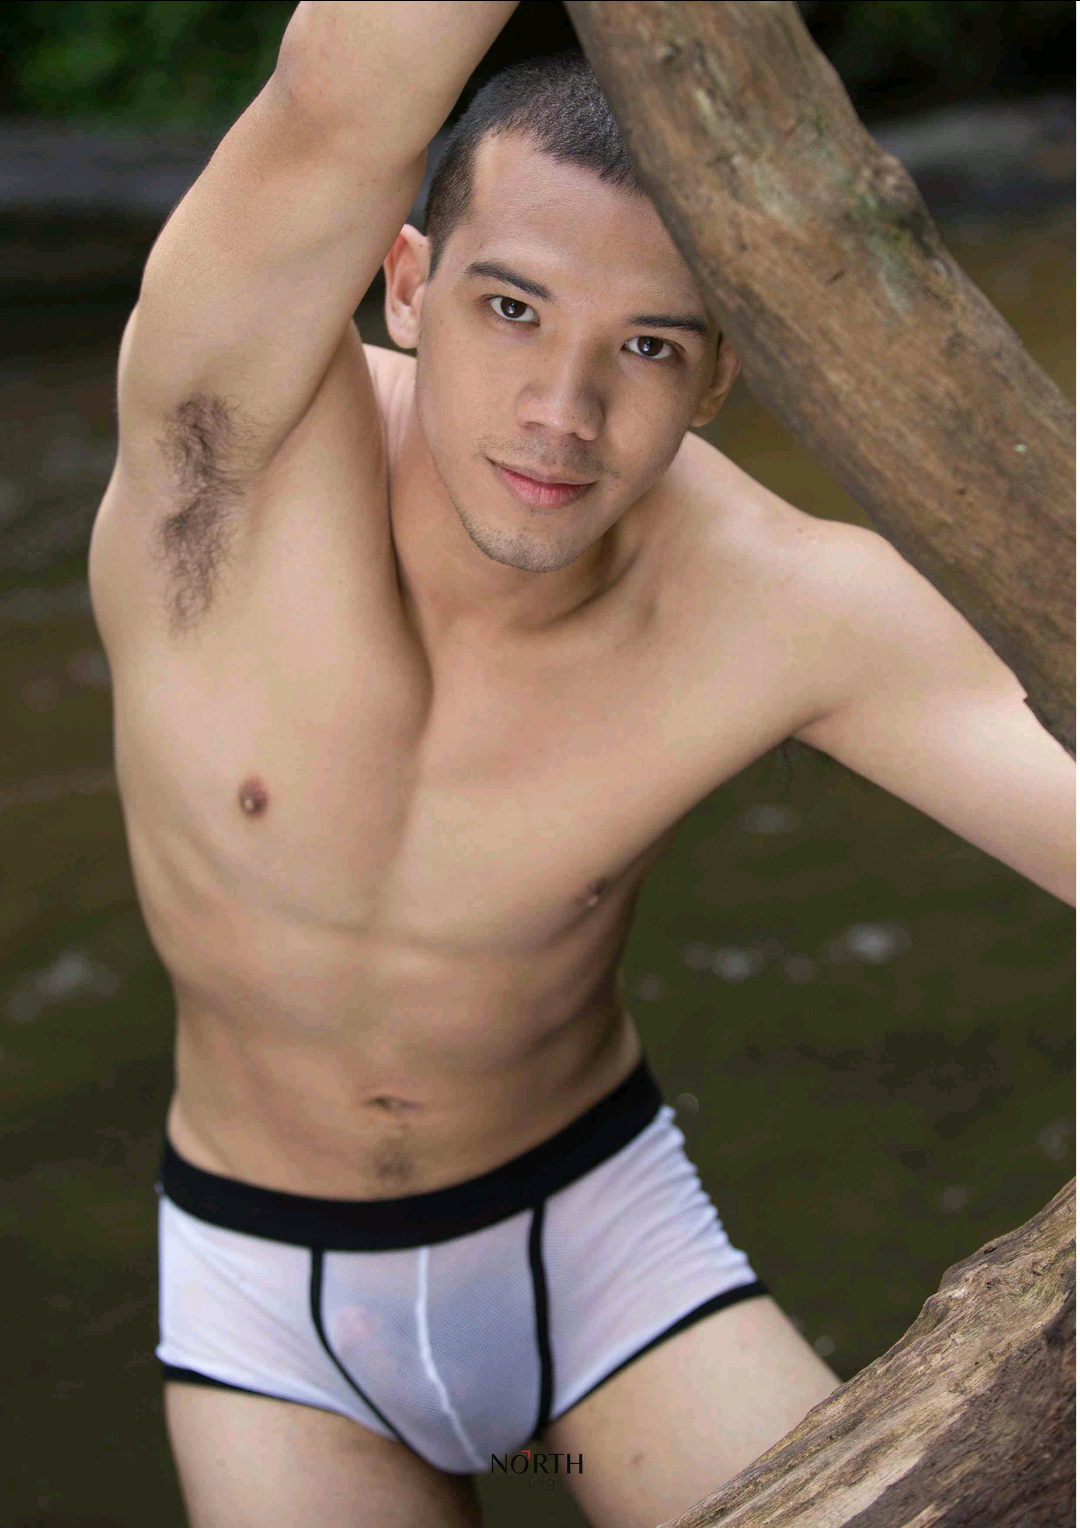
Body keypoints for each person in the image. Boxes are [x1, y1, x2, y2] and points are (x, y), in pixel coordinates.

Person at [86, 3, 1075, 1525]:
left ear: (718, 374)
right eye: (512, 309)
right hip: (262, 1295)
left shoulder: (780, 603)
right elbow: (334, 96)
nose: (564, 412)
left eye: (648, 345)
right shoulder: (223, 458)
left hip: (604, 1255)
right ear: (405, 284)